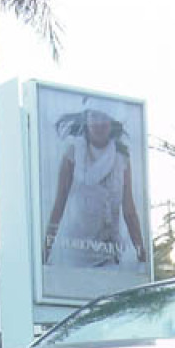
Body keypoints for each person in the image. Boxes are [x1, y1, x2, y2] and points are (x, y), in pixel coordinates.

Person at [43, 97, 147, 268]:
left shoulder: (122, 159)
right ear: (87, 120)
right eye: (94, 117)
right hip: (76, 254)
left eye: (104, 117)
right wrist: (45, 252)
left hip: (108, 253)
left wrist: (143, 257)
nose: (99, 123)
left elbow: (129, 211)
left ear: (111, 121)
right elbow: (59, 206)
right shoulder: (72, 154)